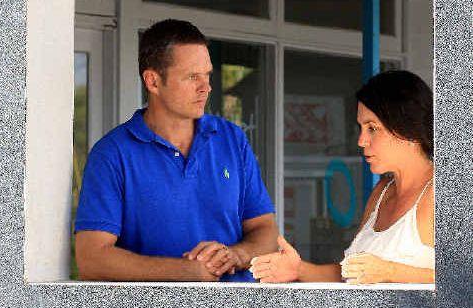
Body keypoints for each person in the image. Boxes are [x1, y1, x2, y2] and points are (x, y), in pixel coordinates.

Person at [74, 19, 278, 282]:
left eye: (207, 75)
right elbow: (92, 259)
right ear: (153, 81)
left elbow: (266, 230)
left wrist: (236, 255)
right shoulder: (112, 154)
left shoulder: (232, 139)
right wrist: (186, 272)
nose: (206, 87)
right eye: (193, 77)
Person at [250, 70, 435, 284]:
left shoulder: (442, 192)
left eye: (372, 128)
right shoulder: (382, 191)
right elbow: (348, 274)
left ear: (408, 129)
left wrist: (390, 273)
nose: (361, 140)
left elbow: (463, 281)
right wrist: (299, 270)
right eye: (361, 128)